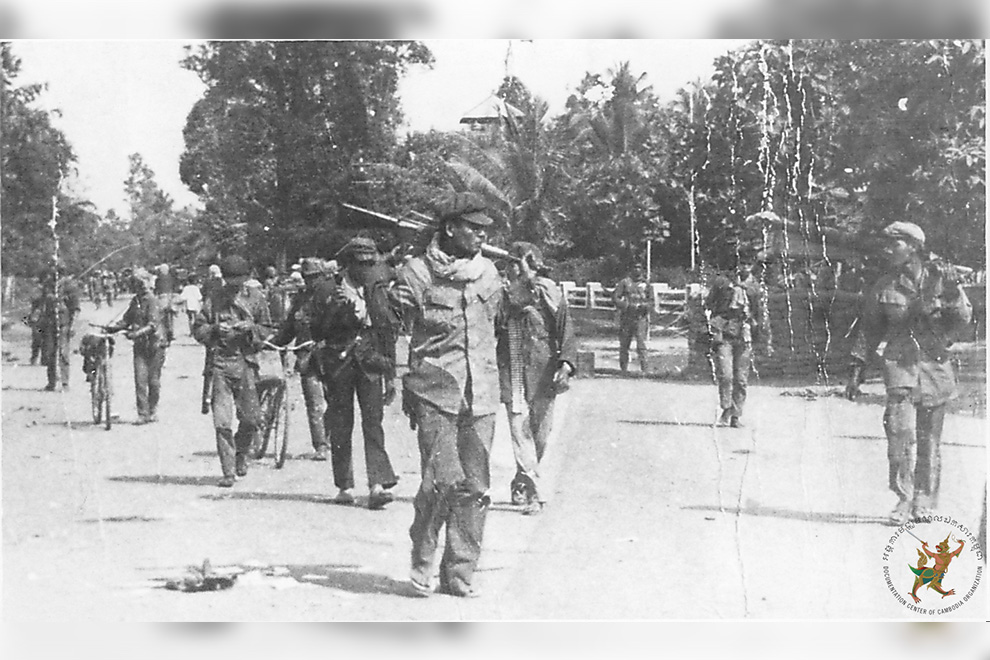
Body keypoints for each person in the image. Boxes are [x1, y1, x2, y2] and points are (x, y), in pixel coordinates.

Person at [389, 191, 503, 598]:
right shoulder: (416, 273)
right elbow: (391, 326)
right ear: (450, 228)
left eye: (484, 230)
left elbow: (501, 328)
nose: (480, 236)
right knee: (440, 481)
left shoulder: (489, 273)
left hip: (483, 392)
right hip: (435, 390)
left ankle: (458, 575)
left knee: (475, 486)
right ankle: (422, 560)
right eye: (472, 228)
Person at [845, 221, 971, 525]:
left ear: (913, 246)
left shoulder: (943, 278)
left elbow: (963, 320)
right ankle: (904, 497)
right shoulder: (885, 284)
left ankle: (923, 500)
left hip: (936, 367)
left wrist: (952, 292)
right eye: (887, 244)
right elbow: (870, 327)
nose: (888, 250)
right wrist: (856, 368)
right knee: (898, 435)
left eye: (895, 244)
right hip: (900, 366)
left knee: (930, 440)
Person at [315, 238, 399, 509]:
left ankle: (377, 483)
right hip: (339, 362)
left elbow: (387, 330)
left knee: (373, 422)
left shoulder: (377, 288)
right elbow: (317, 331)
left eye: (371, 264)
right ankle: (344, 485)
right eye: (361, 264)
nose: (366, 269)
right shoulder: (328, 289)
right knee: (341, 424)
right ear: (348, 264)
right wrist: (335, 310)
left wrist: (391, 374)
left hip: (371, 362)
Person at [496, 242, 576, 515]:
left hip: (543, 372)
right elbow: (491, 325)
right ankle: (537, 495)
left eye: (518, 263)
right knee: (521, 434)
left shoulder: (549, 292)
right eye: (510, 263)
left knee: (540, 436)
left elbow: (566, 330)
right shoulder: (502, 294)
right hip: (514, 370)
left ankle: (522, 482)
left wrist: (565, 365)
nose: (513, 269)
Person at [193, 255, 273, 488]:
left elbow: (267, 328)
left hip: (246, 362)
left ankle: (241, 454)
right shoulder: (214, 298)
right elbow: (198, 328)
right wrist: (216, 329)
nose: (235, 285)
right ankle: (228, 471)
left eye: (239, 280)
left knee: (251, 418)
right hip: (220, 363)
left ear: (247, 278)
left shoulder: (256, 298)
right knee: (222, 421)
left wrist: (251, 329)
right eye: (231, 280)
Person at [269, 258, 332, 461]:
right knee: (314, 403)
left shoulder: (333, 295)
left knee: (335, 402)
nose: (311, 281)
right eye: (307, 277)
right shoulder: (300, 300)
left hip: (332, 356)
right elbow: (289, 327)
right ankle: (320, 444)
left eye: (314, 277)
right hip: (307, 357)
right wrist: (275, 341)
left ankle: (332, 439)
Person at [704, 250, 771, 428]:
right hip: (725, 332)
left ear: (753, 266)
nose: (745, 268)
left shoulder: (755, 287)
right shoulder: (723, 283)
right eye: (742, 264)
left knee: (741, 378)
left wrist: (759, 331)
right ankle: (726, 408)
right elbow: (709, 304)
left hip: (745, 334)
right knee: (726, 375)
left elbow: (759, 312)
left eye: (749, 264)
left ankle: (736, 415)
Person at [104, 268, 169, 424]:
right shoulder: (136, 301)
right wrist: (114, 327)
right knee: (140, 380)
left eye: (143, 282)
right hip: (140, 345)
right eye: (138, 283)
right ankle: (142, 413)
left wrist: (136, 333)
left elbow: (153, 324)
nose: (141, 286)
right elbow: (127, 319)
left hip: (155, 344)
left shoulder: (152, 300)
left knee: (153, 381)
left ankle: (152, 410)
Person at [38, 267, 81, 391]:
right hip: (50, 324)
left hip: (64, 324)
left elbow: (76, 308)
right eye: (52, 274)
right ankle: (51, 382)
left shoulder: (70, 287)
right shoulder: (48, 286)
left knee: (63, 354)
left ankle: (65, 382)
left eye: (58, 273)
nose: (54, 276)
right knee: (50, 353)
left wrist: (73, 325)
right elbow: (42, 306)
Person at [612, 263, 651, 373]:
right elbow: (615, 297)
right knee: (624, 344)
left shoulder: (646, 284)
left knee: (641, 344)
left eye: (639, 268)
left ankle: (645, 370)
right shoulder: (625, 283)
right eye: (635, 267)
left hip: (640, 318)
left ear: (642, 270)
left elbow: (651, 300)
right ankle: (623, 369)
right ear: (631, 269)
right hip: (627, 318)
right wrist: (625, 305)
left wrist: (645, 306)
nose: (637, 270)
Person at [154, 264, 179, 343]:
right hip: (171, 297)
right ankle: (171, 332)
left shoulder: (158, 279)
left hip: (162, 298)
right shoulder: (172, 278)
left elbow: (156, 289)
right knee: (171, 316)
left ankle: (164, 333)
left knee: (162, 317)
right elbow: (175, 288)